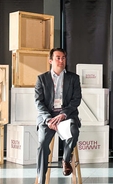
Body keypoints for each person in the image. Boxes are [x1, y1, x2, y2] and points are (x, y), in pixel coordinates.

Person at [35, 48, 82, 183]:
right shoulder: (42, 79)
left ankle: (66, 160)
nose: (61, 60)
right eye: (58, 58)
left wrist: (63, 114)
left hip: (66, 115)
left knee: (73, 130)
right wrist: (48, 119)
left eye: (64, 58)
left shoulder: (73, 78)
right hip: (48, 117)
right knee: (43, 143)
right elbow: (38, 102)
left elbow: (76, 100)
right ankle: (41, 179)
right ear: (51, 60)